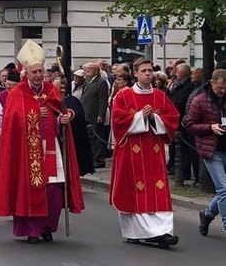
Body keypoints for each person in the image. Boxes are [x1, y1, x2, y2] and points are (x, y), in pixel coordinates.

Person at [0, 40, 84, 244]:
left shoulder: (52, 90)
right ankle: (32, 230)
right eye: (33, 72)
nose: (37, 75)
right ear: (26, 72)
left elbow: (61, 111)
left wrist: (65, 116)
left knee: (53, 191)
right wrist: (34, 112)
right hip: (27, 151)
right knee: (32, 189)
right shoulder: (17, 92)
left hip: (52, 147)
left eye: (40, 71)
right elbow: (11, 120)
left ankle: (47, 227)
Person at [110, 58, 179, 249]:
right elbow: (118, 121)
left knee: (157, 189)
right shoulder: (124, 96)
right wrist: (139, 116)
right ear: (135, 74)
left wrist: (153, 117)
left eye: (150, 70)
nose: (148, 74)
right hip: (131, 152)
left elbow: (173, 119)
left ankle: (162, 232)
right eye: (143, 71)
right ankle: (136, 232)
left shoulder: (160, 96)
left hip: (153, 150)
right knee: (134, 190)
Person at [185, 68, 226, 237]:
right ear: (212, 83)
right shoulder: (199, 100)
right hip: (211, 150)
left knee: (225, 190)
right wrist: (210, 127)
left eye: (225, 88)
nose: (223, 91)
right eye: (219, 88)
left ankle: (207, 214)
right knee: (223, 188)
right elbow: (189, 124)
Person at [79, 62, 110, 169]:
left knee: (97, 138)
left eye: (88, 70)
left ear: (95, 71)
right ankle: (92, 158)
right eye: (85, 69)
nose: (85, 72)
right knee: (90, 138)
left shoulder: (101, 82)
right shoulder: (87, 82)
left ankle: (99, 159)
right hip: (87, 114)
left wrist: (101, 115)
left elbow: (103, 100)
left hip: (95, 114)